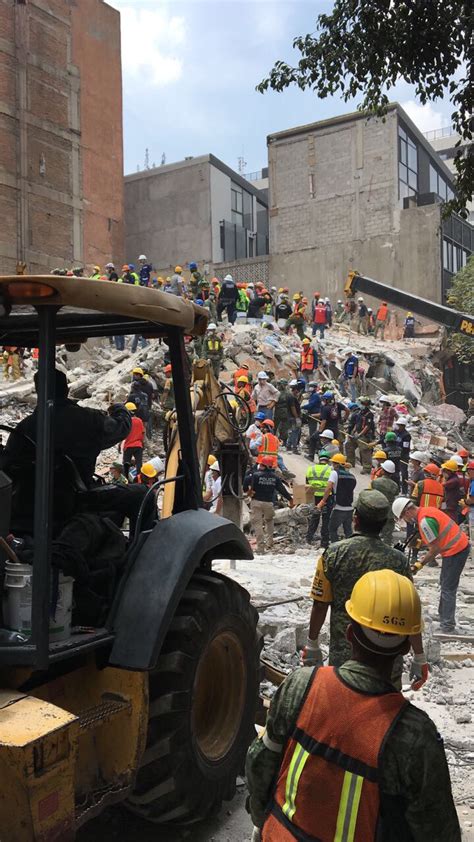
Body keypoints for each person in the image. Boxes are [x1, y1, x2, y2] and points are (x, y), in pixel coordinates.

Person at [246, 570, 460, 842]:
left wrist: (259, 821)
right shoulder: (414, 734)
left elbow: (259, 764)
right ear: (406, 646)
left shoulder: (301, 686)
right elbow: (438, 830)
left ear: (349, 633)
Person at [304, 490, 425, 679]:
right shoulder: (398, 561)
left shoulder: (333, 554)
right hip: (387, 661)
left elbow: (320, 604)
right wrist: (419, 657)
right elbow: (408, 610)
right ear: (384, 523)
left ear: (355, 519)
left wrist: (312, 644)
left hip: (346, 658)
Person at [393, 497, 470, 634]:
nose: (406, 521)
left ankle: (447, 625)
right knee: (444, 583)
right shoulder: (427, 511)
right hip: (457, 546)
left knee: (448, 588)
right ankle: (443, 616)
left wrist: (419, 565)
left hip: (456, 549)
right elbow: (437, 537)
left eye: (403, 517)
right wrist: (420, 543)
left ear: (407, 512)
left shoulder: (424, 521)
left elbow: (435, 549)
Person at [244, 457, 293, 553]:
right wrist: (290, 499)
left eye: (261, 464)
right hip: (269, 503)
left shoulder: (255, 475)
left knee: (257, 524)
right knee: (269, 522)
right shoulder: (275, 477)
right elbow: (281, 489)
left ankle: (260, 547)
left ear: (263, 466)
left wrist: (248, 490)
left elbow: (245, 481)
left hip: (256, 502)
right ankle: (270, 544)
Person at [305, 450, 337, 548]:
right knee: (326, 519)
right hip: (326, 497)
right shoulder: (331, 470)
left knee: (314, 518)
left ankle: (308, 538)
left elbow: (307, 484)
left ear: (319, 459)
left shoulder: (310, 469)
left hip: (314, 497)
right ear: (328, 460)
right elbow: (332, 485)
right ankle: (324, 542)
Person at [328, 454, 356, 542]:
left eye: (333, 463)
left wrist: (323, 501)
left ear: (336, 464)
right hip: (350, 508)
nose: (332, 465)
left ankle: (335, 549)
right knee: (348, 531)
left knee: (332, 529)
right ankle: (350, 550)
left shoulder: (334, 473)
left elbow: (329, 487)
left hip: (339, 507)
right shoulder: (352, 476)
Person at [345, 396, 375, 474]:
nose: (360, 405)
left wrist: (360, 434)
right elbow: (357, 423)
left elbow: (367, 426)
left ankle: (367, 468)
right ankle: (350, 462)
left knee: (364, 450)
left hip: (364, 435)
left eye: (361, 403)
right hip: (357, 433)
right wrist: (353, 431)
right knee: (349, 445)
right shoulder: (359, 412)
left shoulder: (369, 414)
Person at [371, 460, 399, 544]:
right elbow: (395, 497)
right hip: (389, 512)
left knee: (374, 533)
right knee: (388, 535)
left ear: (383, 470)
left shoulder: (376, 482)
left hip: (377, 510)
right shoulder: (394, 485)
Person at [122, 402, 145, 479]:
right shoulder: (139, 420)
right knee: (139, 464)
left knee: (126, 464)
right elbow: (143, 433)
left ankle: (126, 481)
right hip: (138, 445)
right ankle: (139, 480)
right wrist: (142, 443)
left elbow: (122, 435)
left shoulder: (126, 421)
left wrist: (119, 445)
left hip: (128, 446)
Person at [440, 458, 464, 523]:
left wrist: (440, 475)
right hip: (449, 507)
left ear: (450, 471)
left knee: (451, 525)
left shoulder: (453, 481)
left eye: (445, 470)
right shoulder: (451, 479)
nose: (443, 471)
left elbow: (441, 486)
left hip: (451, 508)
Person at [394, 416, 411, 493]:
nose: (398, 426)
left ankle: (404, 491)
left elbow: (405, 448)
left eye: (400, 425)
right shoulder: (396, 432)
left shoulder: (406, 435)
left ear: (403, 426)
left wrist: (400, 454)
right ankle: (396, 488)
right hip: (396, 455)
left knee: (404, 473)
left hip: (403, 456)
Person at [285, 380, 302, 454]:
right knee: (295, 432)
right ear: (294, 390)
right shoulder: (292, 397)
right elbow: (293, 408)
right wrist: (297, 417)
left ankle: (288, 445)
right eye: (297, 391)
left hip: (289, 416)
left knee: (292, 431)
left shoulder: (289, 395)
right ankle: (294, 448)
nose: (297, 393)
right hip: (293, 417)